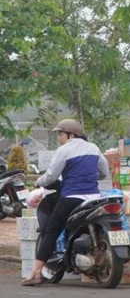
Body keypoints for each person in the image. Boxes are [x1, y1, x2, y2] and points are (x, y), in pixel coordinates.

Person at [23, 119, 108, 286]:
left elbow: (51, 176)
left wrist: (39, 182)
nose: (59, 138)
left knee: (51, 231)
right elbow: (104, 172)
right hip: (94, 198)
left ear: (71, 134)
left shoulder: (64, 150)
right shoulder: (94, 148)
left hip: (71, 198)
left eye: (61, 134)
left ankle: (36, 273)